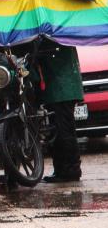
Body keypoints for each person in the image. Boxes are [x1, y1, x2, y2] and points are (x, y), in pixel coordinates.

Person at [38, 38, 83, 183]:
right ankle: (62, 169)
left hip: (62, 89)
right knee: (59, 130)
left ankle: (70, 170)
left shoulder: (57, 33)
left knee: (64, 130)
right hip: (59, 88)